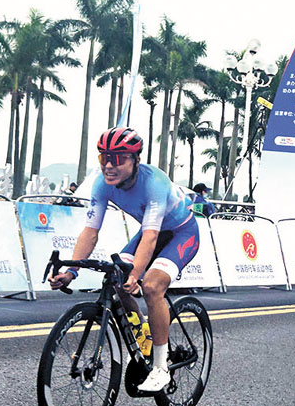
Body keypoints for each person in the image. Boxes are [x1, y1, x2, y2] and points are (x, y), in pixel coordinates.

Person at [48, 127, 201, 392]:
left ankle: (161, 367)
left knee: (152, 287)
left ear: (135, 160)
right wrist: (71, 271)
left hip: (181, 233)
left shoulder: (154, 182)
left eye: (117, 158)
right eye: (103, 157)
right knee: (118, 279)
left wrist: (137, 275)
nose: (109, 165)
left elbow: (151, 238)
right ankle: (143, 335)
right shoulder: (101, 183)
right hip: (149, 232)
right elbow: (90, 232)